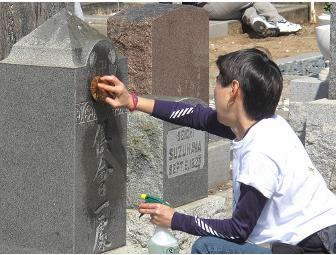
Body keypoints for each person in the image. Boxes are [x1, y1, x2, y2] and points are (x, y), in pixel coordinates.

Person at [96, 48, 336, 253]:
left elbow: (237, 232)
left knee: (208, 248)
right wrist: (132, 101)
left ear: (233, 90)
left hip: (314, 247)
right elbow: (196, 116)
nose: (214, 88)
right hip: (319, 238)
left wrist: (174, 219)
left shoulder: (260, 152)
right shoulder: (264, 123)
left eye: (219, 79)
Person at [198, 2, 302, 37]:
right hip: (208, 5)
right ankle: (279, 21)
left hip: (208, 9)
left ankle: (256, 21)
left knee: (245, 7)